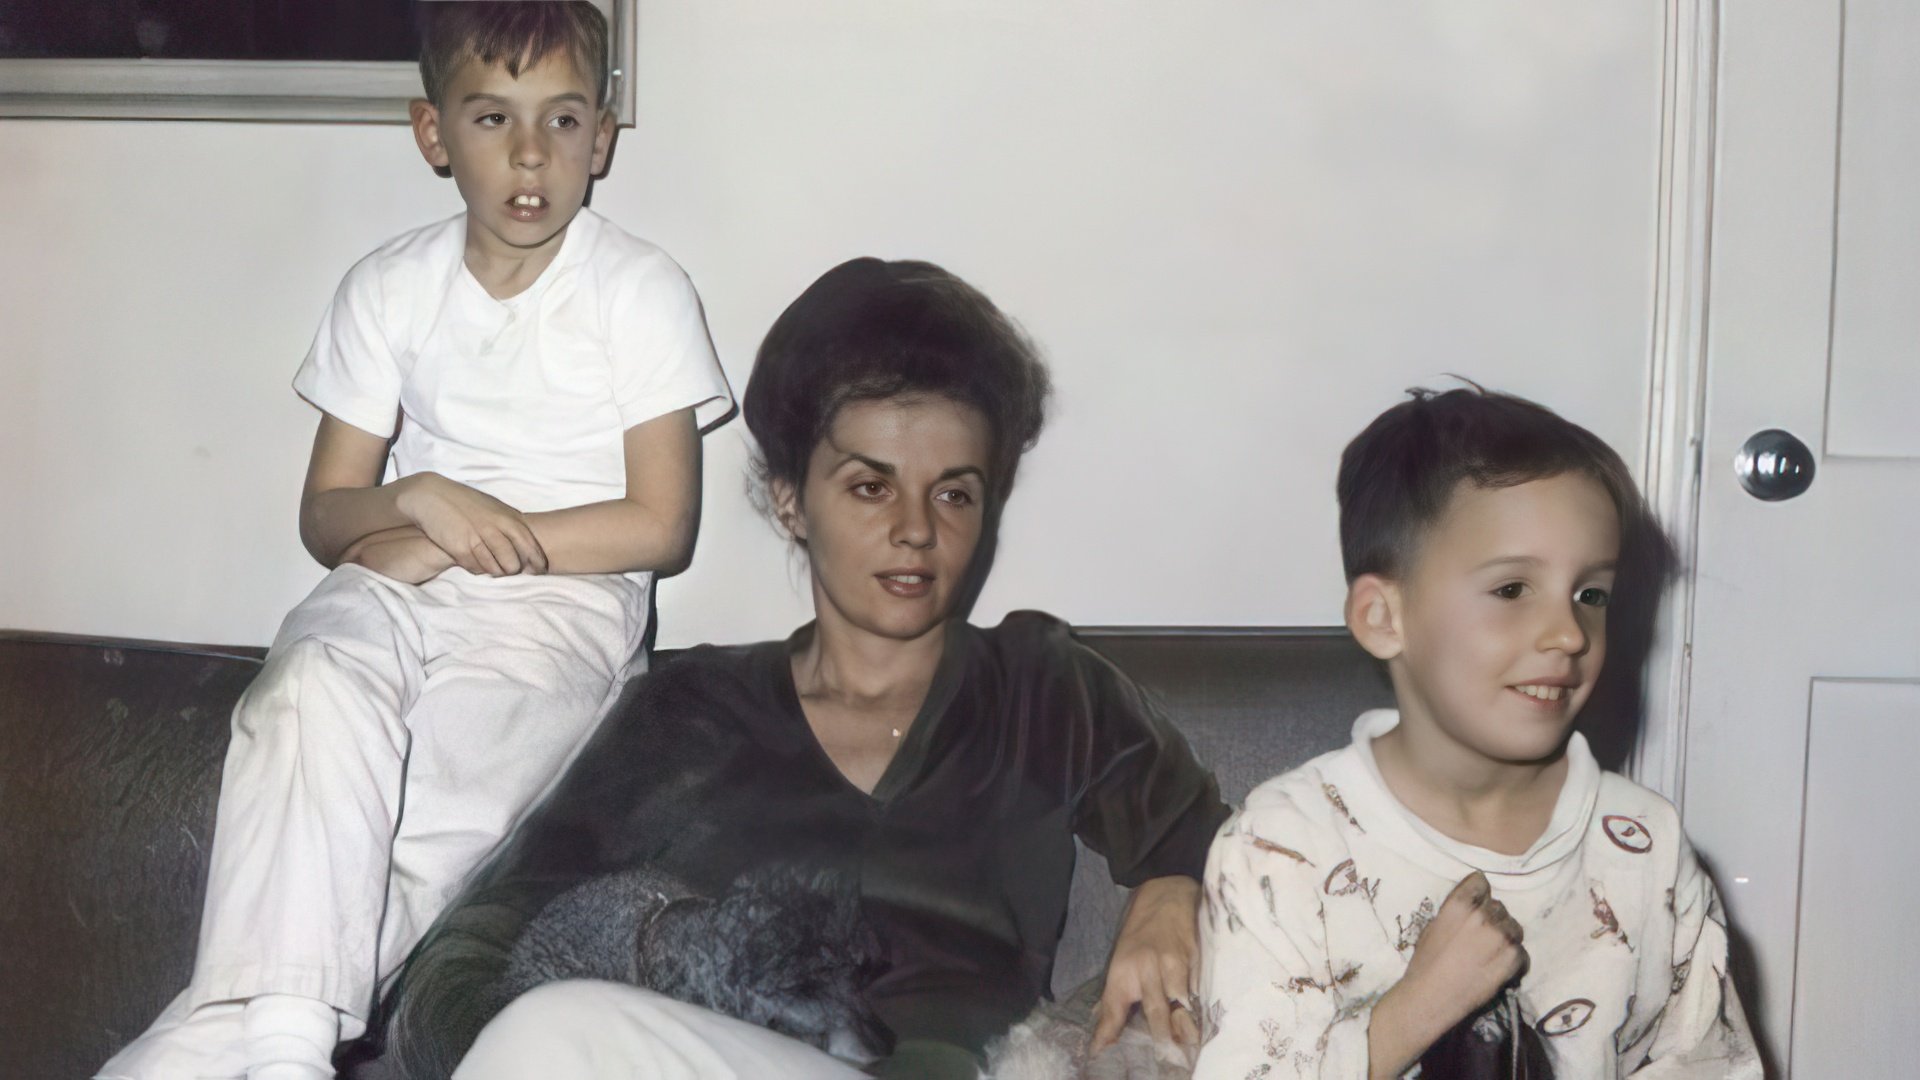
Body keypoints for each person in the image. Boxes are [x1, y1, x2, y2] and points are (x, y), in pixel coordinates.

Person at [354, 257, 1231, 1080]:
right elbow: (466, 958)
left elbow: (1230, 839)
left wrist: (1171, 888)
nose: (918, 530)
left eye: (955, 491)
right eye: (870, 486)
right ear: (790, 501)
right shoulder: (691, 714)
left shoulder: (1041, 687)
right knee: (546, 1032)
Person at [98, 5, 733, 1078]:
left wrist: (480, 534)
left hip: (557, 618)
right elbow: (328, 513)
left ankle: (273, 1056)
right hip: (402, 573)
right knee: (307, 691)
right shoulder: (390, 287)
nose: (530, 155)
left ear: (605, 138)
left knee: (407, 844)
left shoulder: (641, 291)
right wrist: (426, 500)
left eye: (563, 120)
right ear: (433, 133)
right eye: (493, 118)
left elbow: (658, 527)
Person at [1191, 386, 1762, 1079]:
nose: (1567, 632)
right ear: (1383, 618)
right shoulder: (1280, 848)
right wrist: (1414, 1010)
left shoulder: (1645, 842)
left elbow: (1708, 1064)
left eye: (1592, 594)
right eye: (1512, 590)